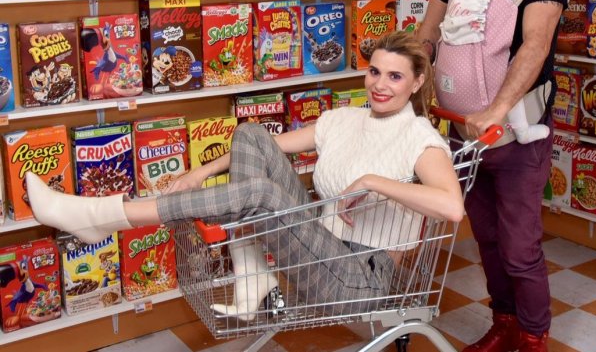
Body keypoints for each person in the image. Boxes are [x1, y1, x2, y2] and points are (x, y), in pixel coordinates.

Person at [26, 31, 464, 320]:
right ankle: (252, 273)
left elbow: (451, 205)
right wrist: (202, 170)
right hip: (316, 247)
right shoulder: (343, 120)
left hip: (359, 276)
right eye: (374, 72)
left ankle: (104, 213)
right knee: (251, 132)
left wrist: (372, 182)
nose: (380, 85)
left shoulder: (417, 137)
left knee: (264, 194)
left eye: (394, 76)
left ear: (416, 81)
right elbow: (266, 145)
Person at [417, 0, 571, 352]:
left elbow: (536, 46)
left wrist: (497, 108)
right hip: (462, 133)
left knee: (520, 245)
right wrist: (407, 78)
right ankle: (503, 322)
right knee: (485, 236)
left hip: (514, 130)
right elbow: (430, 29)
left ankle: (532, 336)